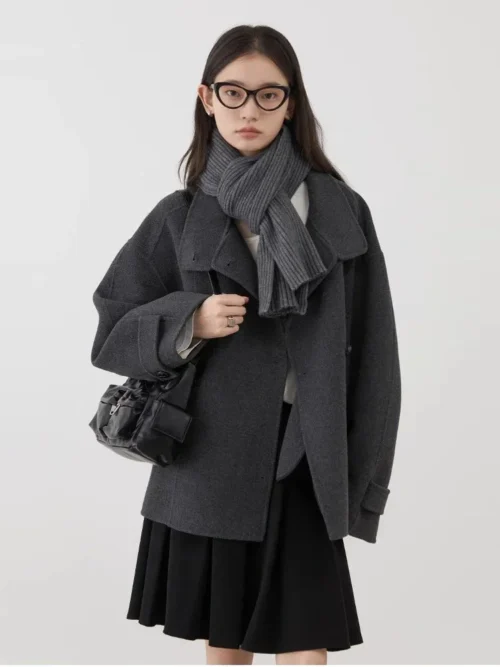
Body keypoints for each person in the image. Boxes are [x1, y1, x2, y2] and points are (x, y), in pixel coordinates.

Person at [90, 24, 402, 666]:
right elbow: (112, 331)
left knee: (306, 640)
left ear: (291, 102)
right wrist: (189, 321)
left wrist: (367, 477)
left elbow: (377, 355)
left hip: (307, 453)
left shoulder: (341, 210)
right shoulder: (179, 215)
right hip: (211, 457)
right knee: (224, 638)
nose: (249, 110)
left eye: (268, 94)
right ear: (207, 99)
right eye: (233, 92)